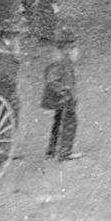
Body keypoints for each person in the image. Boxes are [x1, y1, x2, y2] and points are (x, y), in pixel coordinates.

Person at [41, 27, 81, 161]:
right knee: (69, 123)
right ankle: (65, 151)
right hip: (64, 99)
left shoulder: (62, 60)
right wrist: (64, 91)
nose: (75, 49)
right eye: (72, 46)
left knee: (58, 123)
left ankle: (52, 150)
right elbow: (52, 80)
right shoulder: (59, 62)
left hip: (62, 98)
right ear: (66, 47)